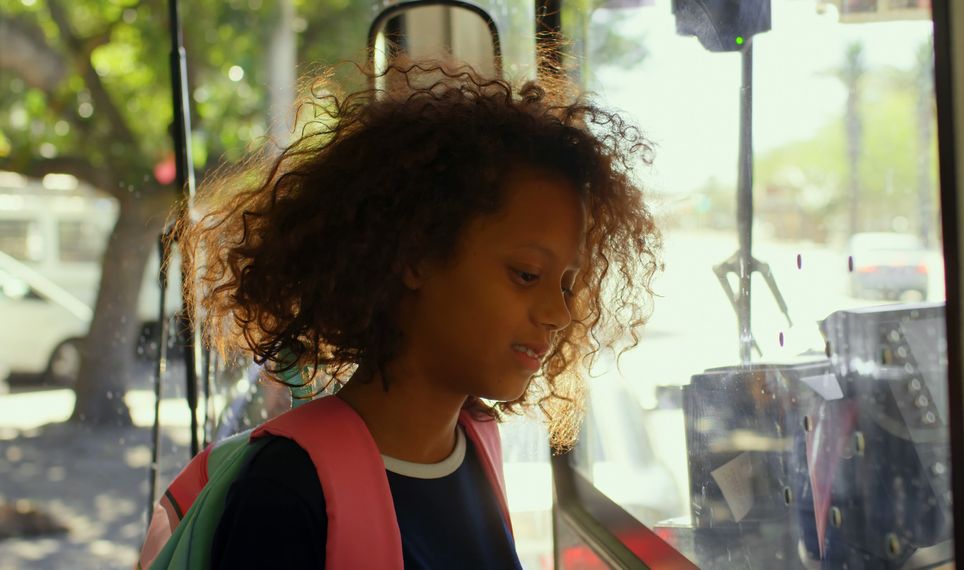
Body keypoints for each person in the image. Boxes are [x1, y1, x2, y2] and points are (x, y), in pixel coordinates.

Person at [175, 60, 661, 569]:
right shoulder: (288, 488)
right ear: (415, 257)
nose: (559, 313)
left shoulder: (476, 445)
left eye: (566, 283)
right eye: (525, 274)